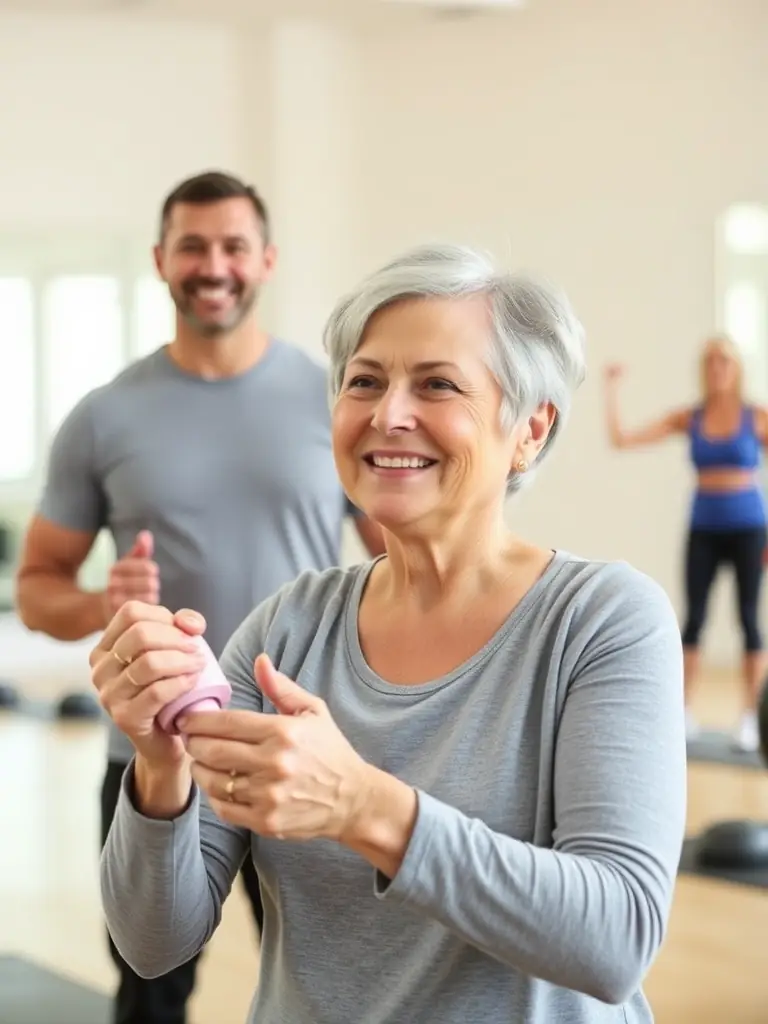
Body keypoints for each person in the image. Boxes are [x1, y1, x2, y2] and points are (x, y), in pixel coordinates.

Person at [91, 243, 687, 1024]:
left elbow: (617, 938)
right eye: (364, 381)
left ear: (530, 429)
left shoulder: (604, 621)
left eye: (437, 384)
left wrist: (365, 808)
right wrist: (159, 763)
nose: (387, 414)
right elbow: (152, 944)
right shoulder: (286, 629)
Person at [14, 169, 384, 1024]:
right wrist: (102, 603)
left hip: (303, 746)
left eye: (233, 247)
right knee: (150, 989)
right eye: (193, 247)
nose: (213, 265)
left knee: (336, 990)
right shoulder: (104, 417)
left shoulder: (336, 400)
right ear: (160, 260)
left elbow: (399, 555)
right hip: (157, 758)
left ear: (266, 260)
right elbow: (36, 590)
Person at [603, 334, 768, 751]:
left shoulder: (756, 417)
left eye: (724, 361)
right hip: (704, 529)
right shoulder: (690, 417)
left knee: (749, 620)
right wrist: (612, 389)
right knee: (694, 620)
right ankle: (682, 711)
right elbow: (623, 439)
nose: (717, 368)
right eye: (711, 361)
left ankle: (751, 717)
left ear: (736, 368)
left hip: (749, 529)